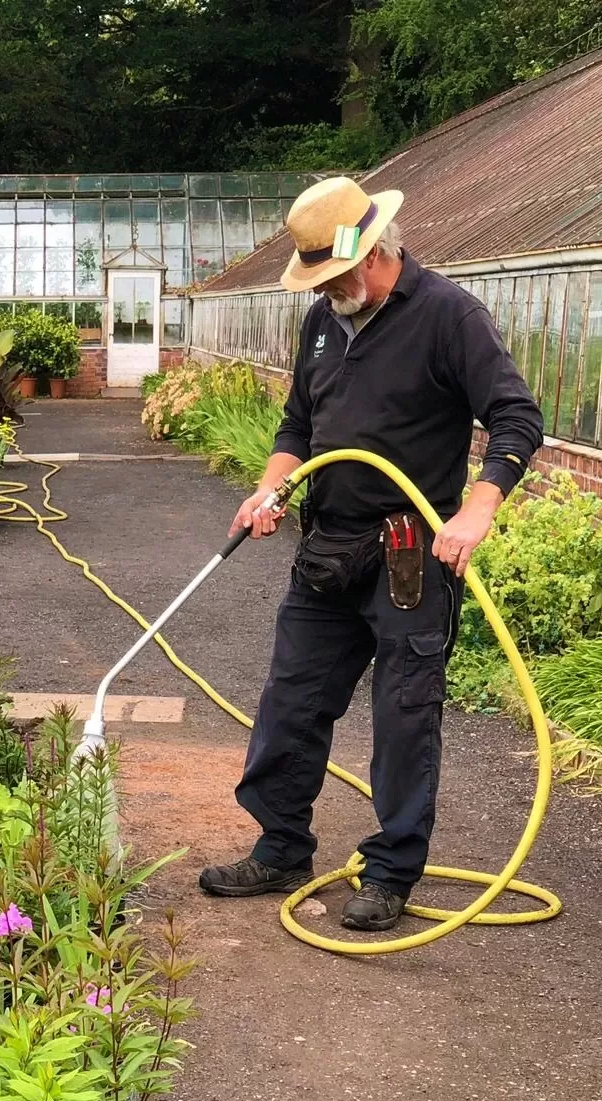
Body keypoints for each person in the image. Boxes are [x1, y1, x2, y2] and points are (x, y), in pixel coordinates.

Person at [199, 176, 544, 932]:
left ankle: (390, 873)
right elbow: (298, 426)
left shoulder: (450, 317)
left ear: (376, 252)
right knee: (291, 700)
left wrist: (477, 510)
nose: (328, 292)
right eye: (317, 281)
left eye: (336, 277)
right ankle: (282, 846)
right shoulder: (324, 324)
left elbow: (517, 419)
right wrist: (271, 490)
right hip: (329, 546)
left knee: (403, 717)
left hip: (408, 555)